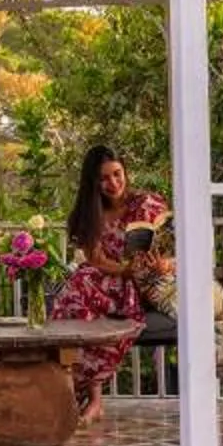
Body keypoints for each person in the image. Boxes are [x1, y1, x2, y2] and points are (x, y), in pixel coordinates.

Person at [49, 144, 169, 418]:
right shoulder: (90, 214)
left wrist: (162, 264)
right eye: (103, 178)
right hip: (112, 278)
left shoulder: (146, 204)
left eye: (117, 174)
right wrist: (123, 269)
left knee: (80, 288)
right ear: (93, 182)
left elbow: (174, 245)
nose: (112, 183)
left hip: (138, 287)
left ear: (125, 171)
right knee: (81, 292)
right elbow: (96, 260)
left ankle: (77, 393)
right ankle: (88, 397)